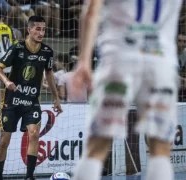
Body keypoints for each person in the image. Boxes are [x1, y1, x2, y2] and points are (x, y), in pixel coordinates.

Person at [70, 0, 182, 180]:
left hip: (118, 60)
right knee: (160, 151)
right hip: (160, 62)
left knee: (96, 147)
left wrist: (84, 60)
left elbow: (91, 11)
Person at [0, 16, 63, 180]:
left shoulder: (47, 51)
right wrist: (7, 81)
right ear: (29, 30)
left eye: (44, 29)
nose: (41, 32)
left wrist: (56, 97)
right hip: (11, 101)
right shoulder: (17, 48)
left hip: (32, 102)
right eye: (38, 29)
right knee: (4, 141)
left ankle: (29, 176)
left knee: (34, 134)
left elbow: (49, 74)